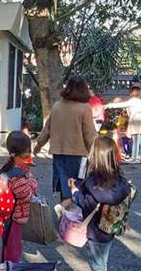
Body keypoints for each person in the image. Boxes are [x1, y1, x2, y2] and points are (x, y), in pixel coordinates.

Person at [68, 136, 131, 271]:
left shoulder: (93, 183)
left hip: (95, 231)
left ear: (95, 156)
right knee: (102, 262)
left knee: (97, 267)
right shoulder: (119, 181)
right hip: (110, 228)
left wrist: (74, 191)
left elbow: (85, 203)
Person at [33, 75, 97, 210]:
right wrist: (97, 154)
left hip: (59, 154)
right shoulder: (84, 108)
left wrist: (38, 145)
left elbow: (47, 129)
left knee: (64, 186)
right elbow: (89, 135)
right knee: (78, 186)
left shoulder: (57, 106)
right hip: (79, 156)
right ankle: (67, 213)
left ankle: (64, 215)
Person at [0, 131, 38, 263]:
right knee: (13, 248)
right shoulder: (17, 173)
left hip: (8, 215)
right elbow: (25, 194)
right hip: (15, 216)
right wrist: (32, 182)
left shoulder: (7, 166)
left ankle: (7, 266)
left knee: (9, 244)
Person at [105, 87, 141, 164]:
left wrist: (109, 105)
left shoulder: (133, 100)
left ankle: (135, 158)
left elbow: (122, 104)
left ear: (133, 92)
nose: (129, 93)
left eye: (130, 92)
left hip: (136, 120)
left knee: (136, 140)